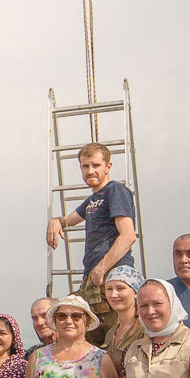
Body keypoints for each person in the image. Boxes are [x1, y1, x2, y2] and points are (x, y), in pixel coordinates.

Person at [44, 143, 136, 337]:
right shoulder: (92, 200)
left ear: (108, 167)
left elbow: (128, 235)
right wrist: (55, 221)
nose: (90, 171)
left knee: (114, 336)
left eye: (95, 165)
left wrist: (101, 270)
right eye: (85, 166)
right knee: (85, 335)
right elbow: (68, 220)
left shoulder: (115, 191)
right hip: (94, 276)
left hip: (111, 274)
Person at [100, 263, 146, 352]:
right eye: (109, 289)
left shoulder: (144, 330)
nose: (113, 295)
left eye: (120, 288)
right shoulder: (111, 333)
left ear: (136, 292)